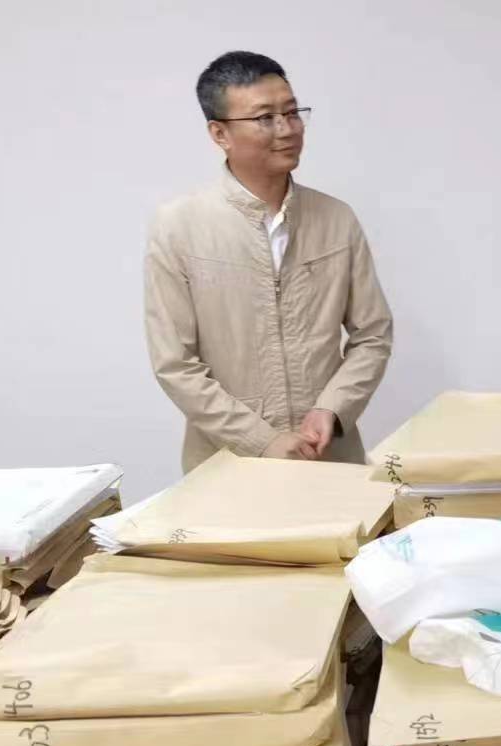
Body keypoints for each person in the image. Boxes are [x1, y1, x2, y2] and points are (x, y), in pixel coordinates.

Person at [145, 51, 393, 470]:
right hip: (228, 466)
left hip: (329, 459)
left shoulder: (336, 218)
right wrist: (261, 440)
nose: (287, 129)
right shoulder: (179, 226)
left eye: (292, 113)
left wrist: (332, 409)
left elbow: (372, 334)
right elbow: (175, 365)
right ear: (220, 133)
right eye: (265, 118)